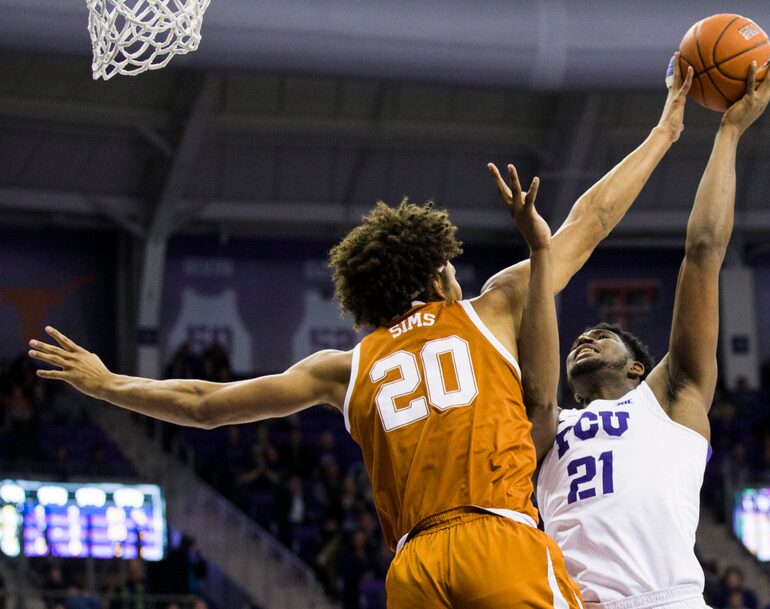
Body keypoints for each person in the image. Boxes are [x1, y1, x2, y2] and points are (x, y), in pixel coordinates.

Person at [29, 57, 695, 607]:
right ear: (438, 278)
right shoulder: (490, 309)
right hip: (498, 540)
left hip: (414, 569)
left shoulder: (342, 368)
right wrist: (666, 128)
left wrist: (107, 380)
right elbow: (592, 219)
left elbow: (204, 404)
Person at [532, 58, 770, 609]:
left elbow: (703, 254)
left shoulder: (671, 400)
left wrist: (730, 132)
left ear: (638, 367)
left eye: (603, 334)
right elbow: (531, 335)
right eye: (582, 337)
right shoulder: (546, 428)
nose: (585, 338)